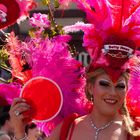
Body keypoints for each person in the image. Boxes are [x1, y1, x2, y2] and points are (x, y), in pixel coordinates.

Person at [8, 0, 140, 140]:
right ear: (89, 87)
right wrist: (19, 132)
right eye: (104, 84)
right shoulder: (68, 127)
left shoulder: (134, 132)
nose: (112, 93)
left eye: (120, 86)